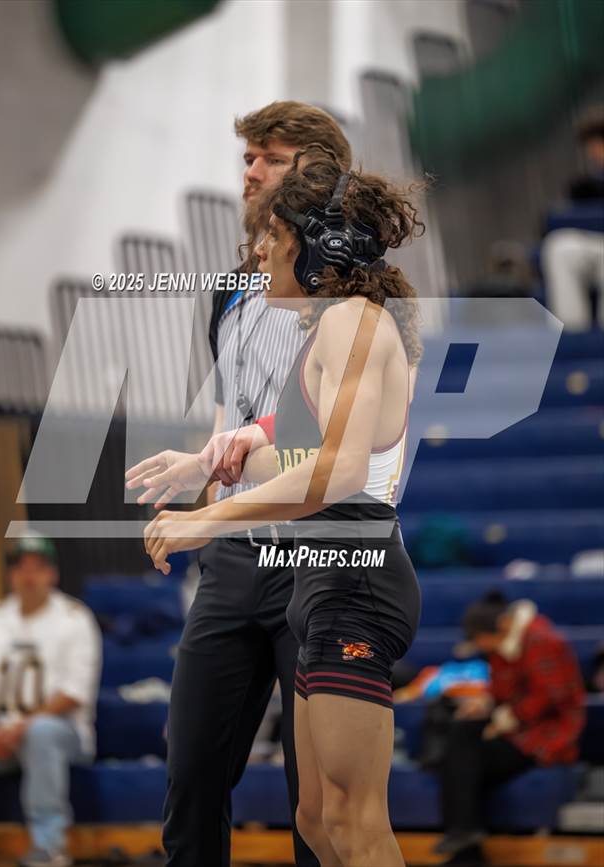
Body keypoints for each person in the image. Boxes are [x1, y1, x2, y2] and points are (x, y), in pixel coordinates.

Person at [140, 154, 424, 867]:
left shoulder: (352, 322)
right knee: (317, 819)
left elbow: (340, 470)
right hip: (322, 581)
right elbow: (300, 455)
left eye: (274, 236)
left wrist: (204, 520)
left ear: (319, 246)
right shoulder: (328, 331)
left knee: (355, 822)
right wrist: (215, 460)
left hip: (355, 580)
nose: (259, 251)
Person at [126, 102, 351, 867]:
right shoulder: (230, 286)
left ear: (317, 169)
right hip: (234, 556)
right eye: (248, 157)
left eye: (270, 157)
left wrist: (223, 477)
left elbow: (324, 442)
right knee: (190, 774)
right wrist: (201, 477)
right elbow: (234, 417)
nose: (250, 171)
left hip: (318, 555)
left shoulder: (347, 286)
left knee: (315, 800)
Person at [0, 536, 102, 867]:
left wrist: (21, 726)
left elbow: (74, 692)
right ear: (10, 574)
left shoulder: (75, 618)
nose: (28, 576)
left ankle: (50, 846)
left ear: (52, 573)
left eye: (37, 568)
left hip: (61, 731)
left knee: (41, 732)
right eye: (21, 568)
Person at [434, 591, 586, 862]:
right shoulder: (503, 646)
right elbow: (502, 690)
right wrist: (485, 703)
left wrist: (505, 719)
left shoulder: (542, 640)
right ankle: (465, 839)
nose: (480, 645)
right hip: (518, 728)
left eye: (480, 638)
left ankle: (466, 848)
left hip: (547, 735)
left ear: (499, 627)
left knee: (463, 762)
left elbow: (552, 696)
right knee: (460, 739)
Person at [541, 105, 604, 331]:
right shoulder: (587, 187)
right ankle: (573, 337)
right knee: (560, 247)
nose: (595, 152)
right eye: (593, 146)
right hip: (594, 244)